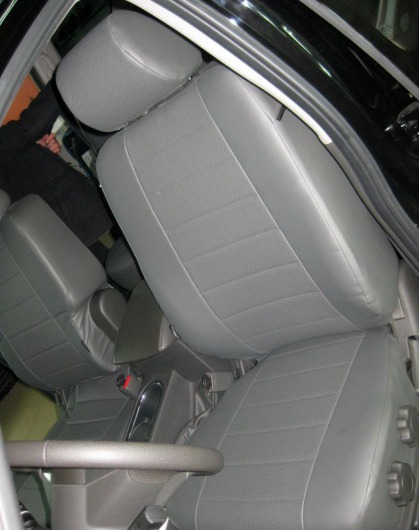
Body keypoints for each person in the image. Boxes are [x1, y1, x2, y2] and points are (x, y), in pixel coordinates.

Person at [0, 80, 112, 251]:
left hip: (58, 231)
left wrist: (39, 150)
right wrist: (62, 80)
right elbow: (30, 127)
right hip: (77, 213)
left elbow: (17, 172)